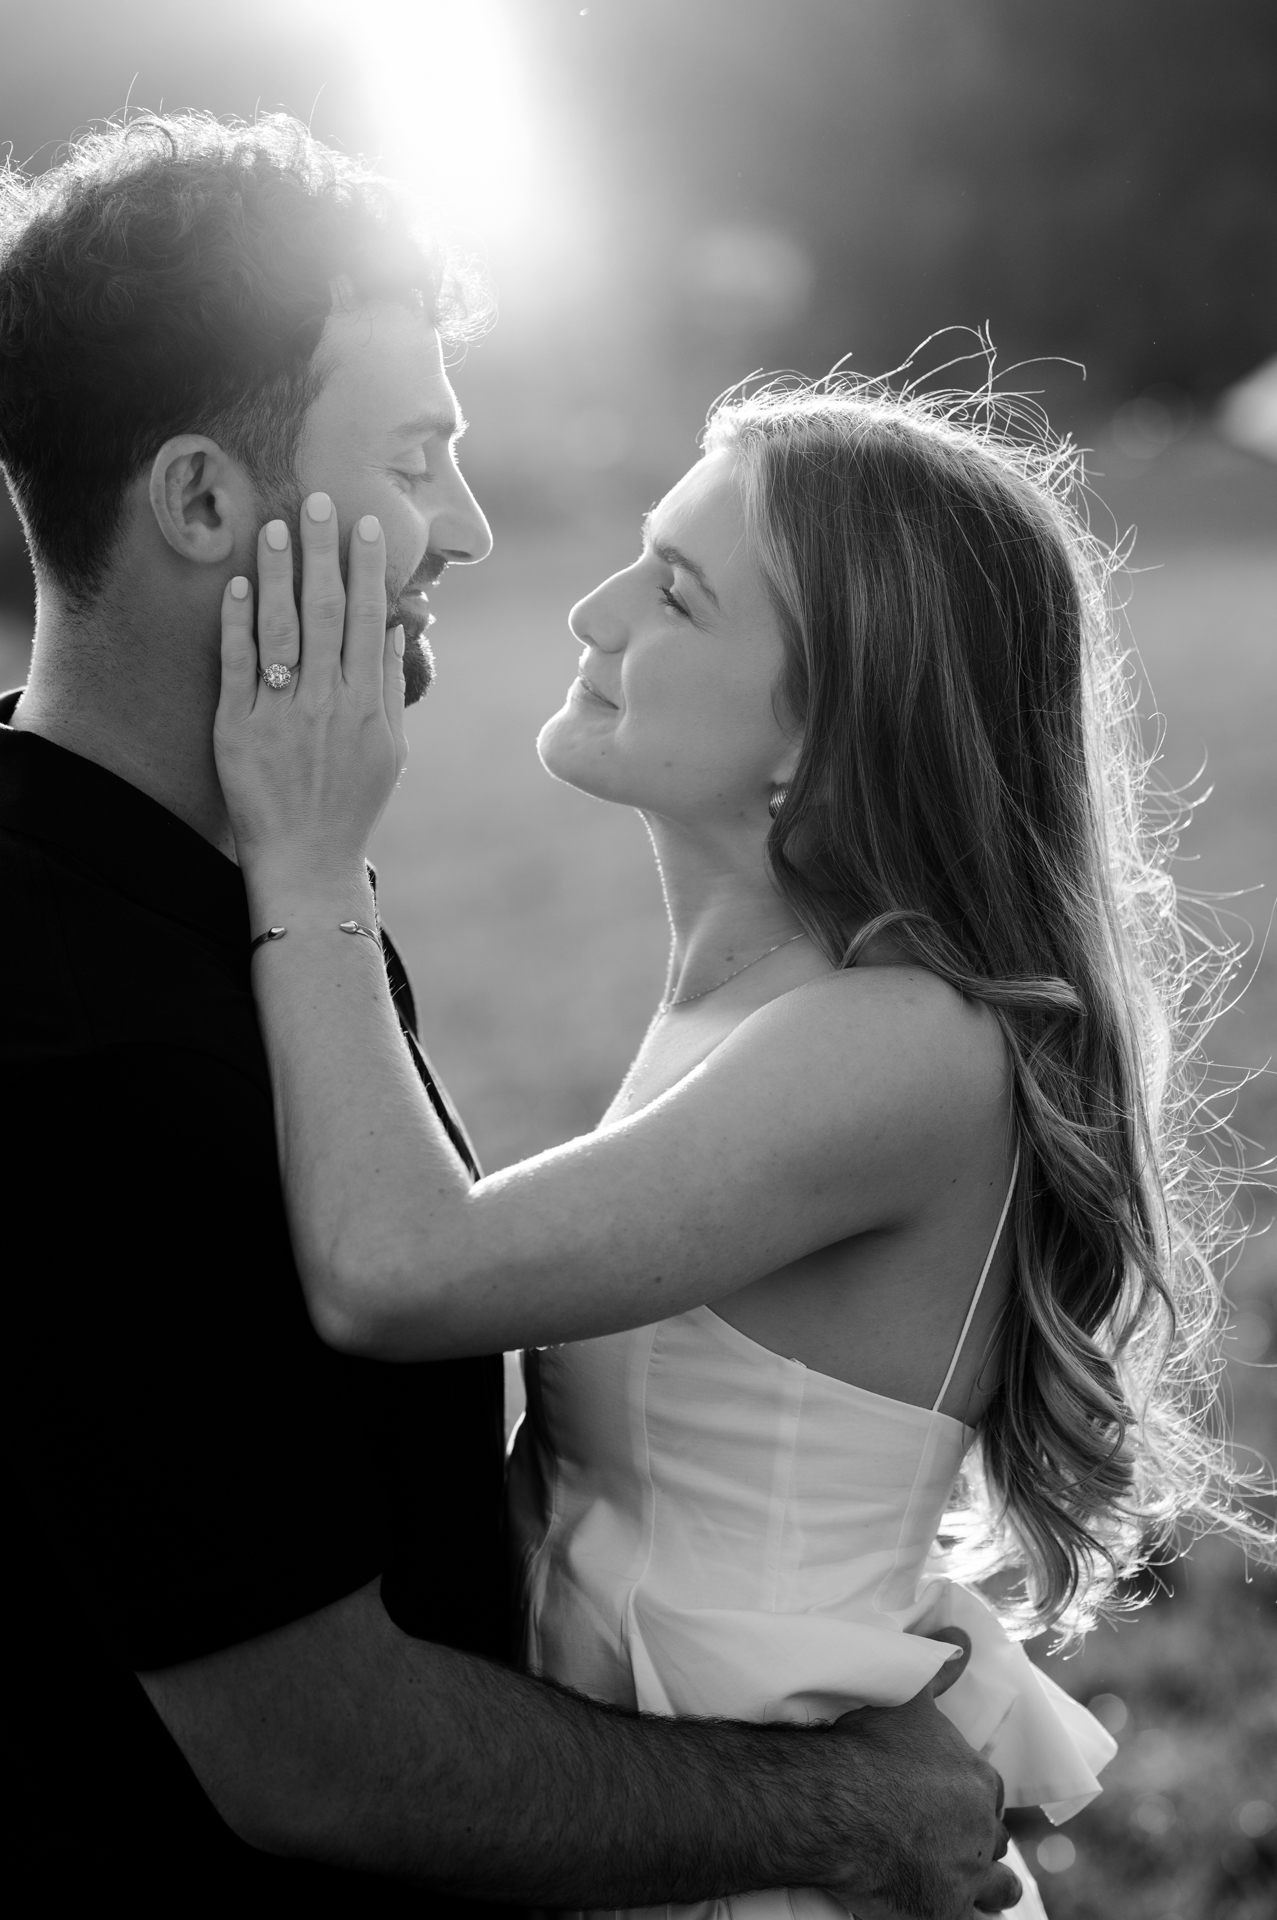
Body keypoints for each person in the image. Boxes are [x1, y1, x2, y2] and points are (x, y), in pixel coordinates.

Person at [0, 113, 1020, 1916]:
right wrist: (856, 1817)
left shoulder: (208, 890)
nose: (469, 529)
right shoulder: (93, 1033)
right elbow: (323, 1752)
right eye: (414, 458)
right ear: (200, 504)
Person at [212, 364, 1271, 1916]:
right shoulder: (750, 1010)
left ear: (825, 732)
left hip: (768, 1859)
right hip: (667, 1810)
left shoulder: (894, 1042)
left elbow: (391, 1269)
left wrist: (302, 854)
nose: (593, 610)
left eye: (680, 593)